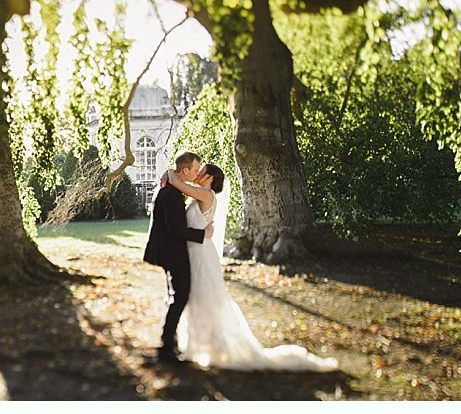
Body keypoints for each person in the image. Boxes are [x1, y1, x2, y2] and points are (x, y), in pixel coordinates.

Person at [164, 165, 338, 371]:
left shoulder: (204, 194)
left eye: (201, 172)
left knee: (206, 297)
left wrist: (168, 172)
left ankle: (213, 345)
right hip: (194, 252)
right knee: (198, 298)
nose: (197, 175)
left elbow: (176, 182)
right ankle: (203, 344)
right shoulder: (199, 195)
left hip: (201, 254)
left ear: (210, 177)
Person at [143, 151, 214, 364]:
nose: (197, 173)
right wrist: (203, 234)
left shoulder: (171, 187)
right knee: (179, 296)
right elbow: (175, 229)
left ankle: (169, 344)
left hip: (169, 250)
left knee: (175, 295)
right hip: (171, 251)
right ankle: (166, 348)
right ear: (185, 170)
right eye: (194, 169)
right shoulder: (172, 192)